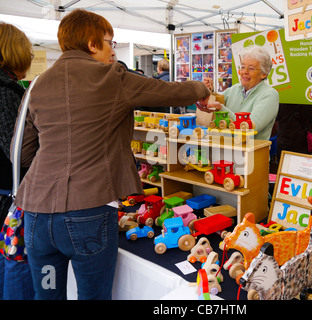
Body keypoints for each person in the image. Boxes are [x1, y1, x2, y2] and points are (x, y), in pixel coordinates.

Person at [12, 9, 212, 300]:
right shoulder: (112, 77)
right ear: (92, 44)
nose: (112, 50)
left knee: (47, 294)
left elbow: (24, 151)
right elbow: (171, 92)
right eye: (110, 42)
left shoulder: (38, 84)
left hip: (37, 216)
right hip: (88, 212)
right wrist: (202, 88)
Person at [0, 22, 35, 300]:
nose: (31, 58)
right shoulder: (6, 93)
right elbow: (18, 152)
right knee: (14, 265)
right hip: (7, 199)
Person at [198, 45, 279, 141]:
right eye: (243, 67)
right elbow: (217, 101)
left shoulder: (270, 95)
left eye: (251, 68)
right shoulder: (234, 89)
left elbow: (248, 127)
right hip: (226, 151)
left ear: (264, 73)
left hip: (252, 153)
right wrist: (208, 92)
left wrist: (221, 108)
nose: (244, 71)